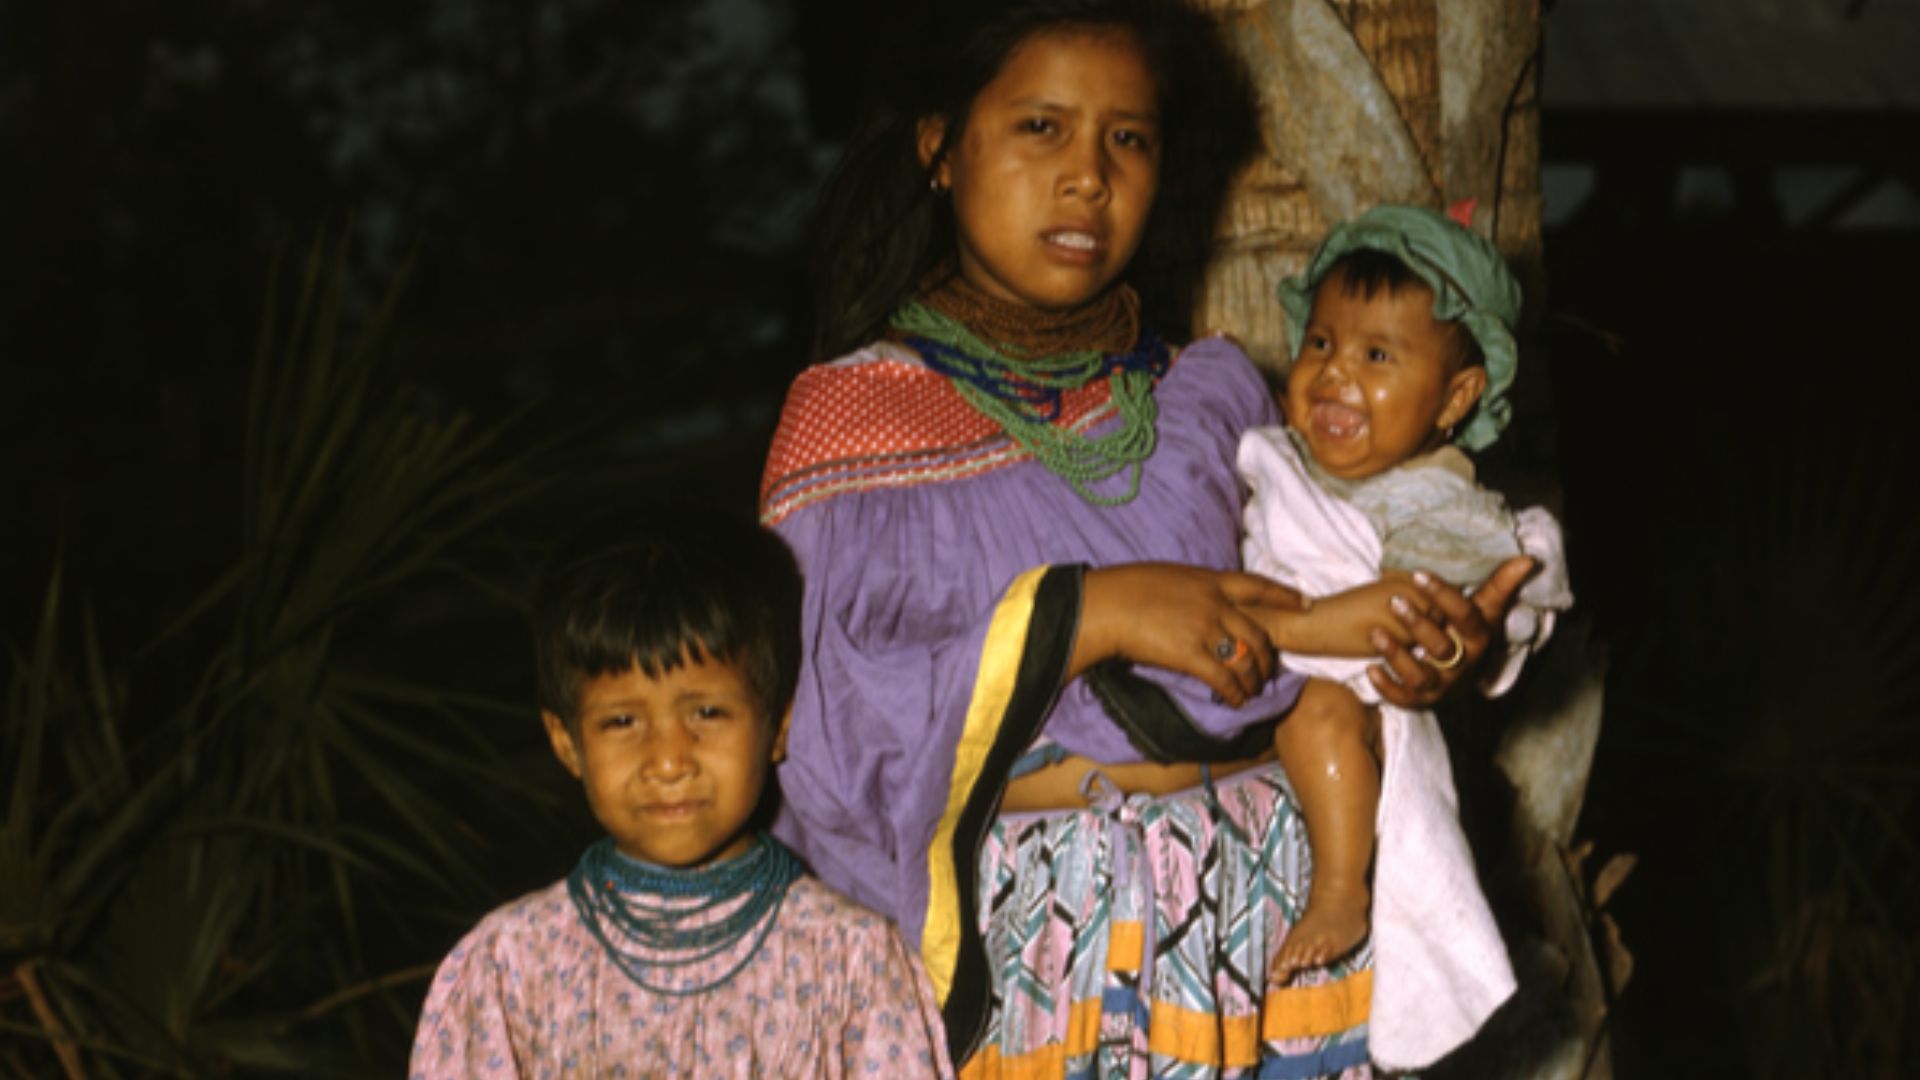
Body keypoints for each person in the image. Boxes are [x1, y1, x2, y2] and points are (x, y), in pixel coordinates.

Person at [759, 2, 1533, 1075]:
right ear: (940, 146)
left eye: (1128, 138)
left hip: (1265, 930)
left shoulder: (1211, 399)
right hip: (1035, 954)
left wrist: (1423, 647)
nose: (1089, 177)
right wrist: (1086, 613)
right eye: (1042, 127)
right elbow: (818, 736)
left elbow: (1319, 601)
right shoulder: (849, 422)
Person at [408, 511, 954, 1079]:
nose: (669, 761)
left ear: (778, 725)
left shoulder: (852, 965)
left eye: (707, 713)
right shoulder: (510, 970)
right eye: (622, 721)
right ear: (567, 742)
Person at [1238, 203, 1574, 1070]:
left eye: (1377, 356)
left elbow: (1438, 600)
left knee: (1319, 714)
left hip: (1353, 701)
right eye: (1321, 343)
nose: (1335, 372)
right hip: (1252, 733)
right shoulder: (1285, 463)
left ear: (1456, 399)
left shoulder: (1439, 499)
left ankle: (1341, 889)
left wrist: (1437, 631)